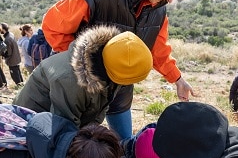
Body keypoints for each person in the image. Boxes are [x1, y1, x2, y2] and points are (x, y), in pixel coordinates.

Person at [41, 0, 195, 140]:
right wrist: (80, 65)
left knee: (125, 146)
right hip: (80, 88)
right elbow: (53, 27)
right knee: (69, 144)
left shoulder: (158, 9)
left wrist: (177, 79)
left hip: (120, 88)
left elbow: (157, 49)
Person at [14, 26, 153, 128]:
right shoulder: (70, 81)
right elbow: (61, 131)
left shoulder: (111, 61)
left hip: (56, 121)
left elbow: (104, 101)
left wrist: (91, 130)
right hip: (26, 123)